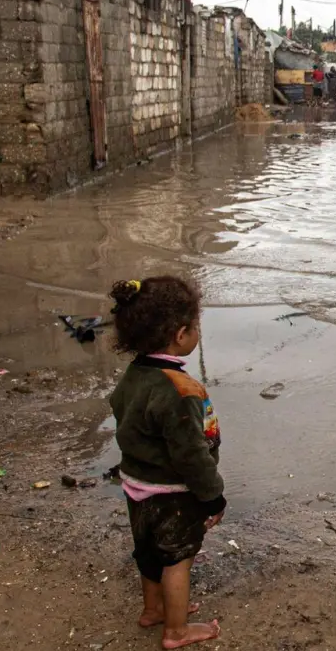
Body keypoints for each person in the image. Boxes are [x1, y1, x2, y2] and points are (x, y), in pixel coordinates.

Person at [106, 276, 223, 649]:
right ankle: (175, 631)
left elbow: (121, 412)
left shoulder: (134, 376)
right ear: (180, 334)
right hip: (174, 492)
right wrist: (212, 495)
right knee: (178, 560)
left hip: (136, 484)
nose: (197, 334)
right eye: (196, 327)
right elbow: (190, 454)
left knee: (149, 554)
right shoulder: (181, 389)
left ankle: (153, 610)